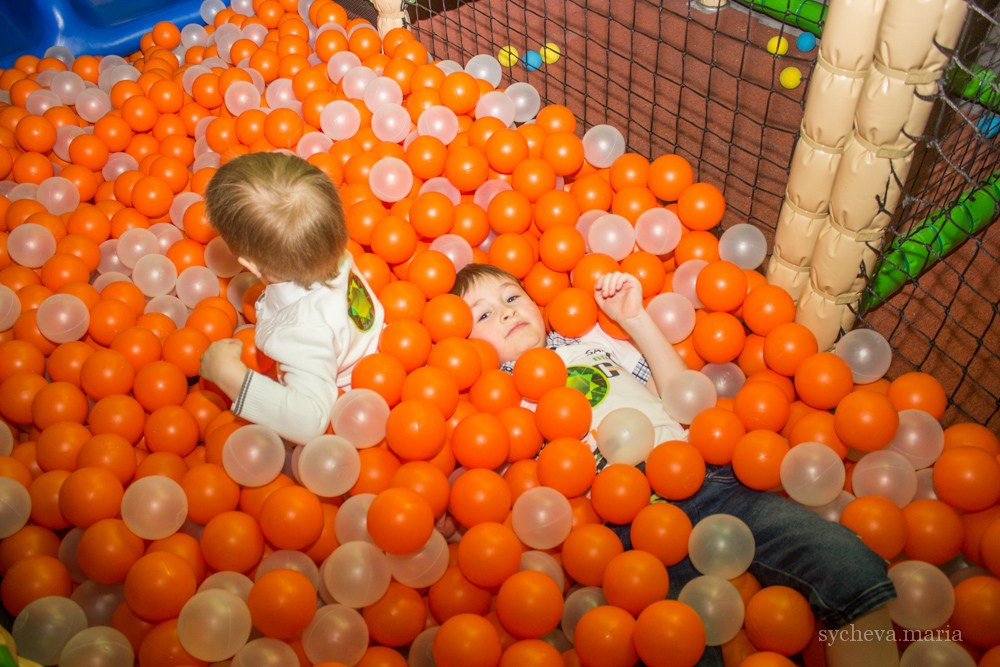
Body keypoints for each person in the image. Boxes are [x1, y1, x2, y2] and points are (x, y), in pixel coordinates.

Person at [451, 263, 899, 667]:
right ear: (464, 344)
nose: (506, 313)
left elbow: (682, 396)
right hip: (626, 537)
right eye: (484, 315)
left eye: (512, 298)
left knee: (845, 560)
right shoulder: (492, 407)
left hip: (705, 482)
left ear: (536, 302)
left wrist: (633, 319)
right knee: (677, 647)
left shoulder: (587, 342)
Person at [198, 152, 384, 445]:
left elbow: (309, 421)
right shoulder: (336, 253)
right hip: (373, 344)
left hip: (349, 395)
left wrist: (229, 376)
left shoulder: (300, 330)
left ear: (250, 266)